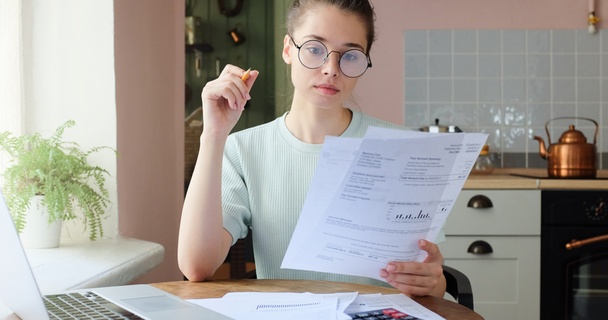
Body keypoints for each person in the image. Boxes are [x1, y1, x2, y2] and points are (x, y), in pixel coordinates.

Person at [178, 0, 447, 298]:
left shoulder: (404, 150)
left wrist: (431, 281)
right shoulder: (244, 149)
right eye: (315, 49)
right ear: (288, 50)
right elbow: (196, 266)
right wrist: (214, 135)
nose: (331, 69)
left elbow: (435, 287)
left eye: (351, 55)